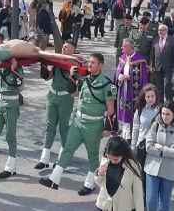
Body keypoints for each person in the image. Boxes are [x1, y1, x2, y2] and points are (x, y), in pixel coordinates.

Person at [40, 53, 117, 196]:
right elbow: (74, 94)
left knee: (92, 155)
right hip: (78, 121)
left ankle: (89, 184)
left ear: (100, 65)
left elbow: (111, 109)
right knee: (67, 149)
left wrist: (108, 128)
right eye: (90, 62)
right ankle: (53, 179)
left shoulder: (107, 84)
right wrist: (71, 77)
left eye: (93, 63)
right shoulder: (84, 79)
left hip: (94, 124)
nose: (90, 65)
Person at [35, 41, 79, 170]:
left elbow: (77, 86)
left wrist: (72, 74)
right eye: (64, 46)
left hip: (65, 98)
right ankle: (44, 159)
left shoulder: (75, 64)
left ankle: (62, 159)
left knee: (64, 128)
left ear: (72, 50)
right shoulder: (57, 61)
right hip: (52, 96)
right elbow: (48, 76)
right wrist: (43, 66)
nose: (64, 49)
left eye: (67, 47)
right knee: (50, 127)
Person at [144, 100, 174, 211]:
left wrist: (162, 148)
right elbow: (148, 146)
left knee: (164, 202)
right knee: (151, 200)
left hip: (170, 171)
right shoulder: (156, 124)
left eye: (168, 114)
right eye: (162, 113)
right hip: (152, 167)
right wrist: (169, 149)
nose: (164, 116)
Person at [0, 57, 24, 179]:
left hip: (12, 105)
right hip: (0, 103)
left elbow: (21, 87)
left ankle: (10, 167)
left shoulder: (18, 69)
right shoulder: (0, 69)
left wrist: (14, 70)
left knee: (10, 136)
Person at [94, 136, 145, 211]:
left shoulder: (133, 166)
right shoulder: (105, 160)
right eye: (109, 158)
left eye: (115, 159)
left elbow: (138, 193)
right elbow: (100, 184)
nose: (112, 161)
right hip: (104, 206)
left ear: (123, 154)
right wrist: (99, 174)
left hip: (123, 207)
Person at [114, 38, 149, 142]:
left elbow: (143, 77)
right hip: (123, 90)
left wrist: (130, 77)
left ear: (130, 47)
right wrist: (120, 76)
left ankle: (133, 134)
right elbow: (118, 71)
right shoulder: (122, 58)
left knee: (133, 112)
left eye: (123, 46)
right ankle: (125, 133)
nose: (121, 48)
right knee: (123, 110)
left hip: (133, 91)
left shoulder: (139, 59)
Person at [131, 85, 161, 171]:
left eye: (152, 96)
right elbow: (135, 129)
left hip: (155, 146)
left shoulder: (161, 110)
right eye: (148, 96)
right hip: (141, 146)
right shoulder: (140, 110)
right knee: (141, 173)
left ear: (156, 96)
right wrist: (133, 146)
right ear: (144, 97)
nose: (150, 99)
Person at [151, 24, 174, 102]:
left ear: (166, 31)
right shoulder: (155, 40)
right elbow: (152, 54)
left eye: (162, 30)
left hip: (168, 67)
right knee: (158, 86)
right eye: (159, 30)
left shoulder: (173, 40)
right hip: (157, 66)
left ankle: (169, 103)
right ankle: (160, 102)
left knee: (167, 85)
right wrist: (152, 65)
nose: (160, 32)